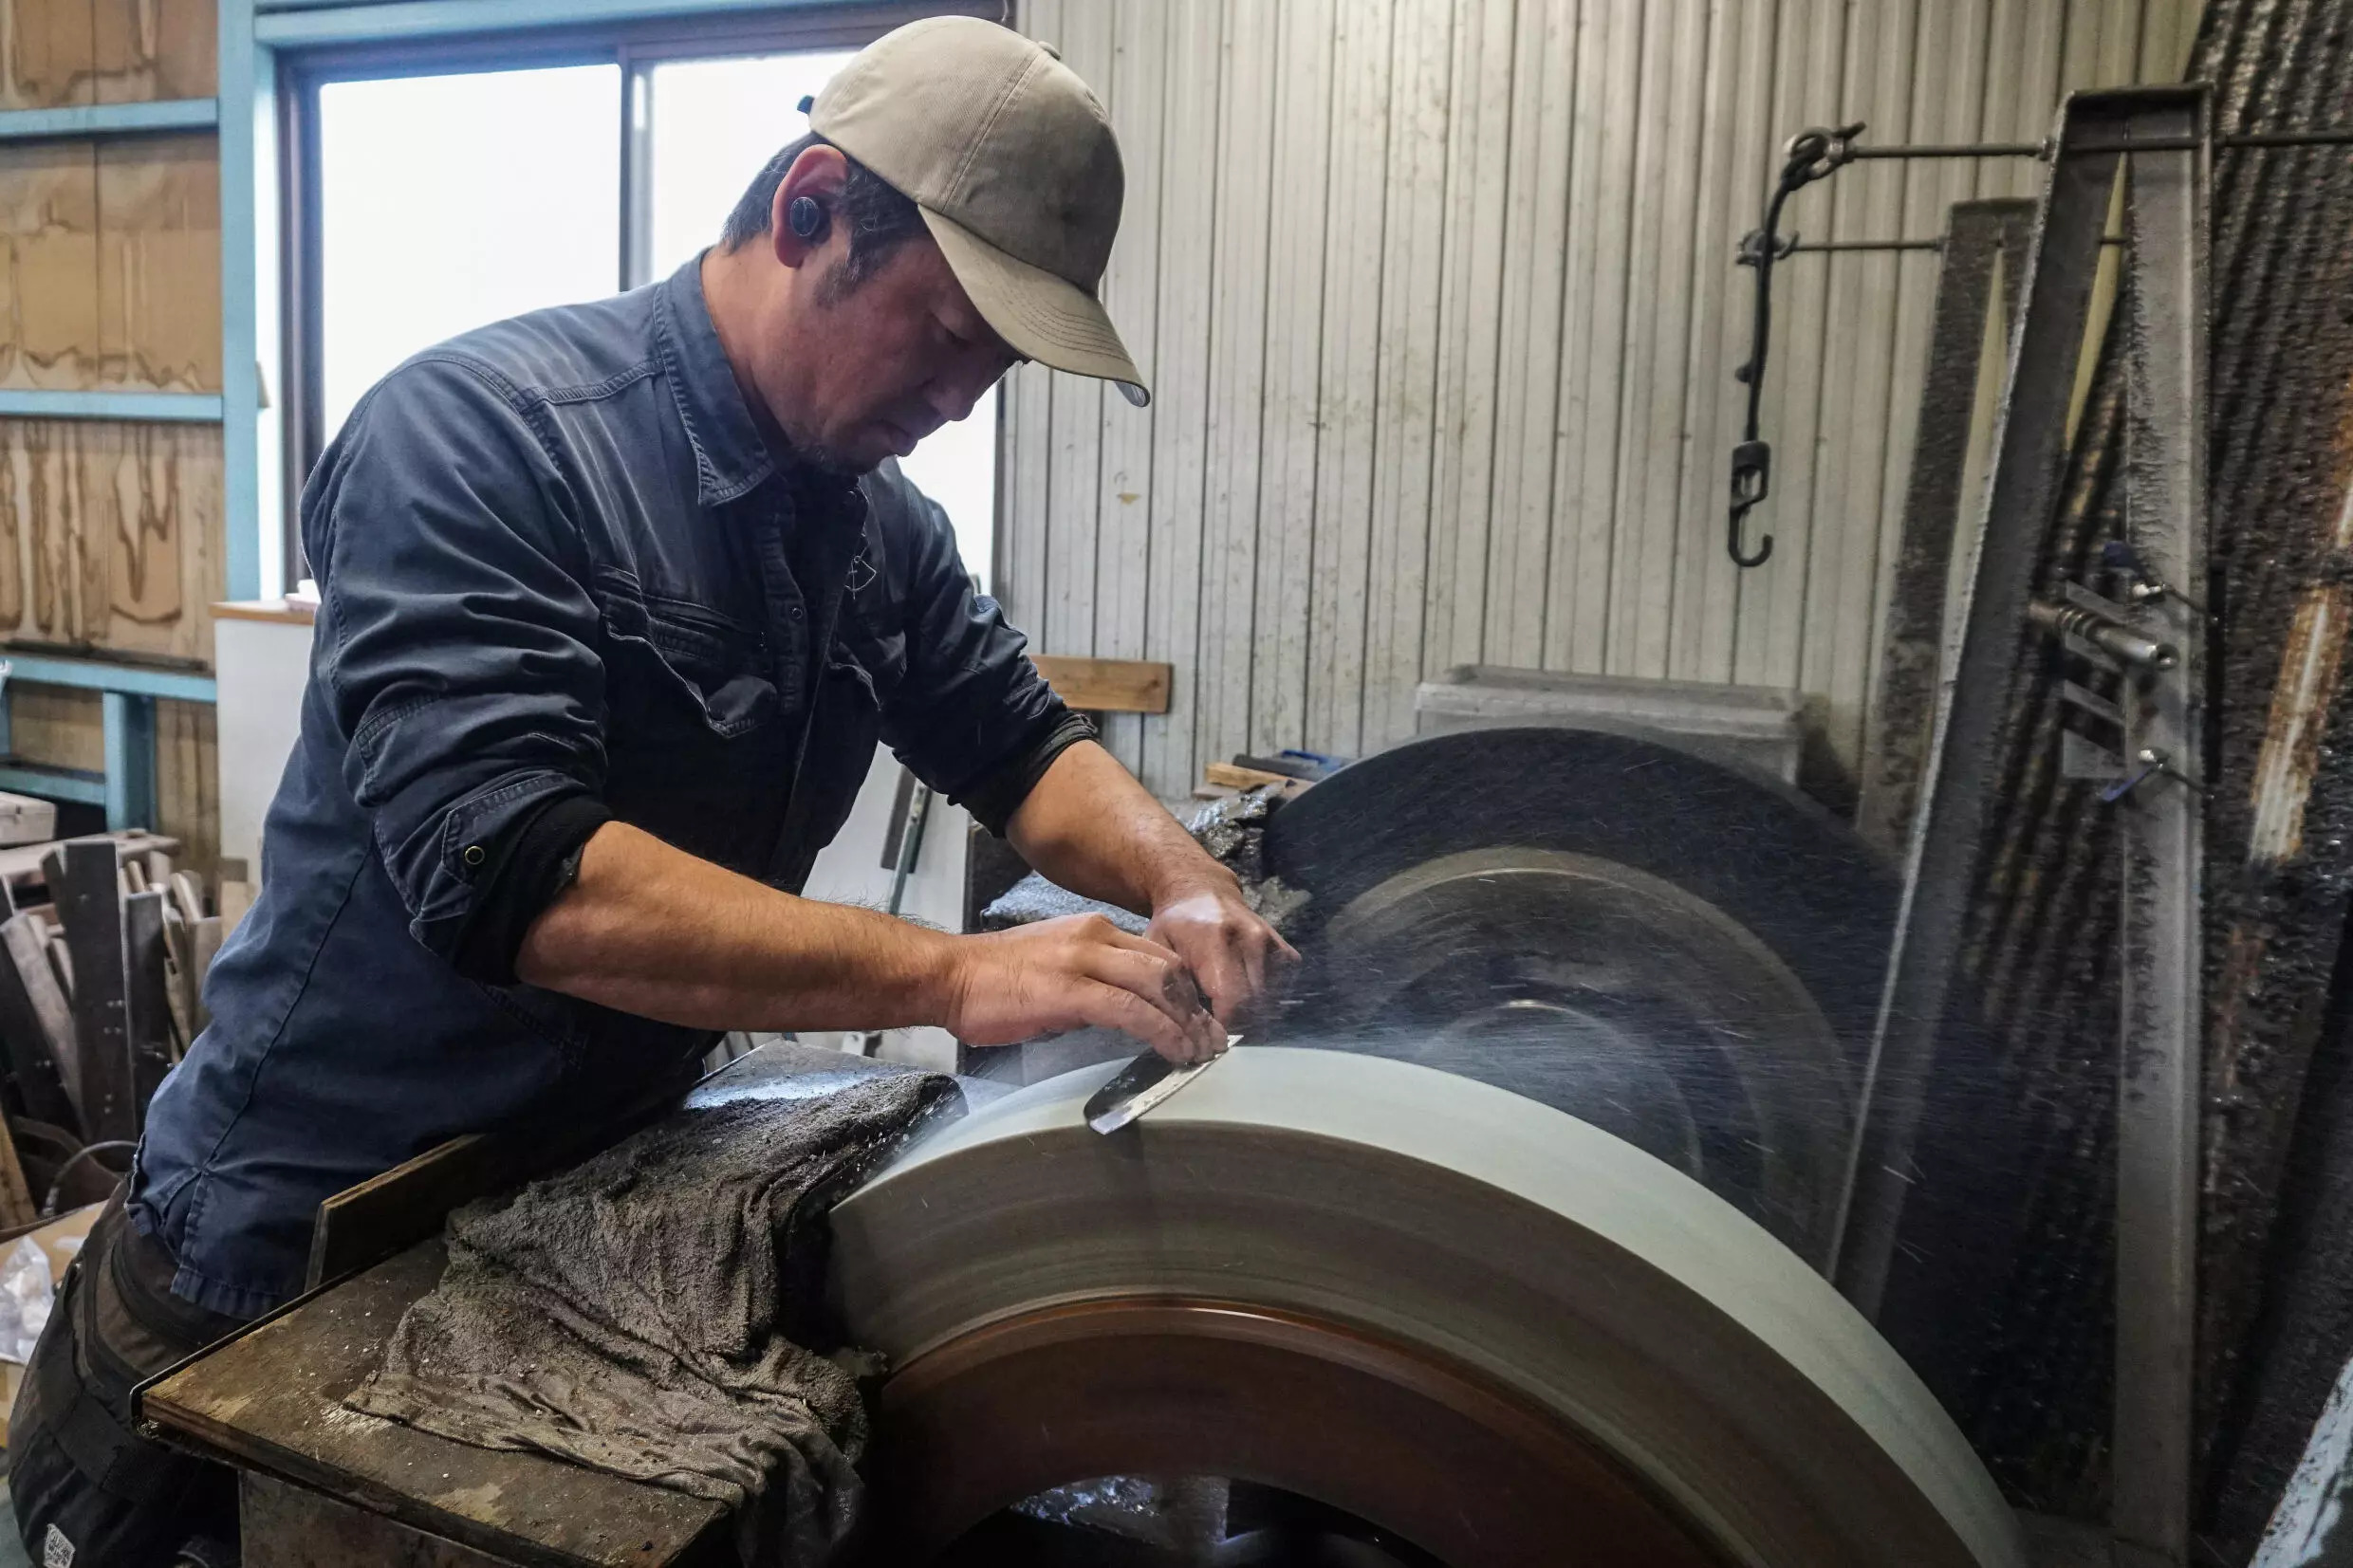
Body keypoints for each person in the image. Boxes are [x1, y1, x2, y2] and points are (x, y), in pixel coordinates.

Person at [9, 18, 1293, 1564]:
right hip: (284, 1263)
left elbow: (1019, 742)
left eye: (997, 366)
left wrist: (1180, 877)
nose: (962, 399)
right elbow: (524, 878)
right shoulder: (483, 439)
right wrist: (962, 974)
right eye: (946, 334)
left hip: (567, 1223)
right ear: (811, 208)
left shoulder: (877, 528)